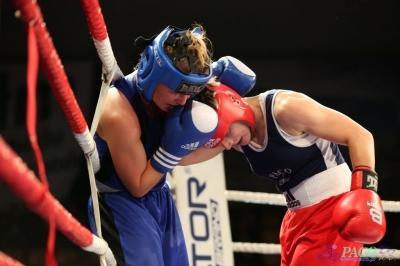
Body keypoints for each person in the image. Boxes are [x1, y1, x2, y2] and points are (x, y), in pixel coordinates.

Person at [183, 81, 387, 266]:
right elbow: (183, 158)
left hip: (332, 211)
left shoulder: (286, 108)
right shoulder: (238, 133)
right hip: (296, 218)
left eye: (225, 135)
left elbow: (360, 135)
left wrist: (366, 192)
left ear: (233, 104)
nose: (225, 145)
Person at [87, 24, 220, 266]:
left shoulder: (174, 97)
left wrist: (227, 137)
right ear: (153, 73)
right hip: (123, 204)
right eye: (177, 91)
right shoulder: (119, 112)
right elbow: (137, 185)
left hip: (159, 196)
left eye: (189, 92)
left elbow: (183, 156)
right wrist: (170, 152)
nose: (183, 100)